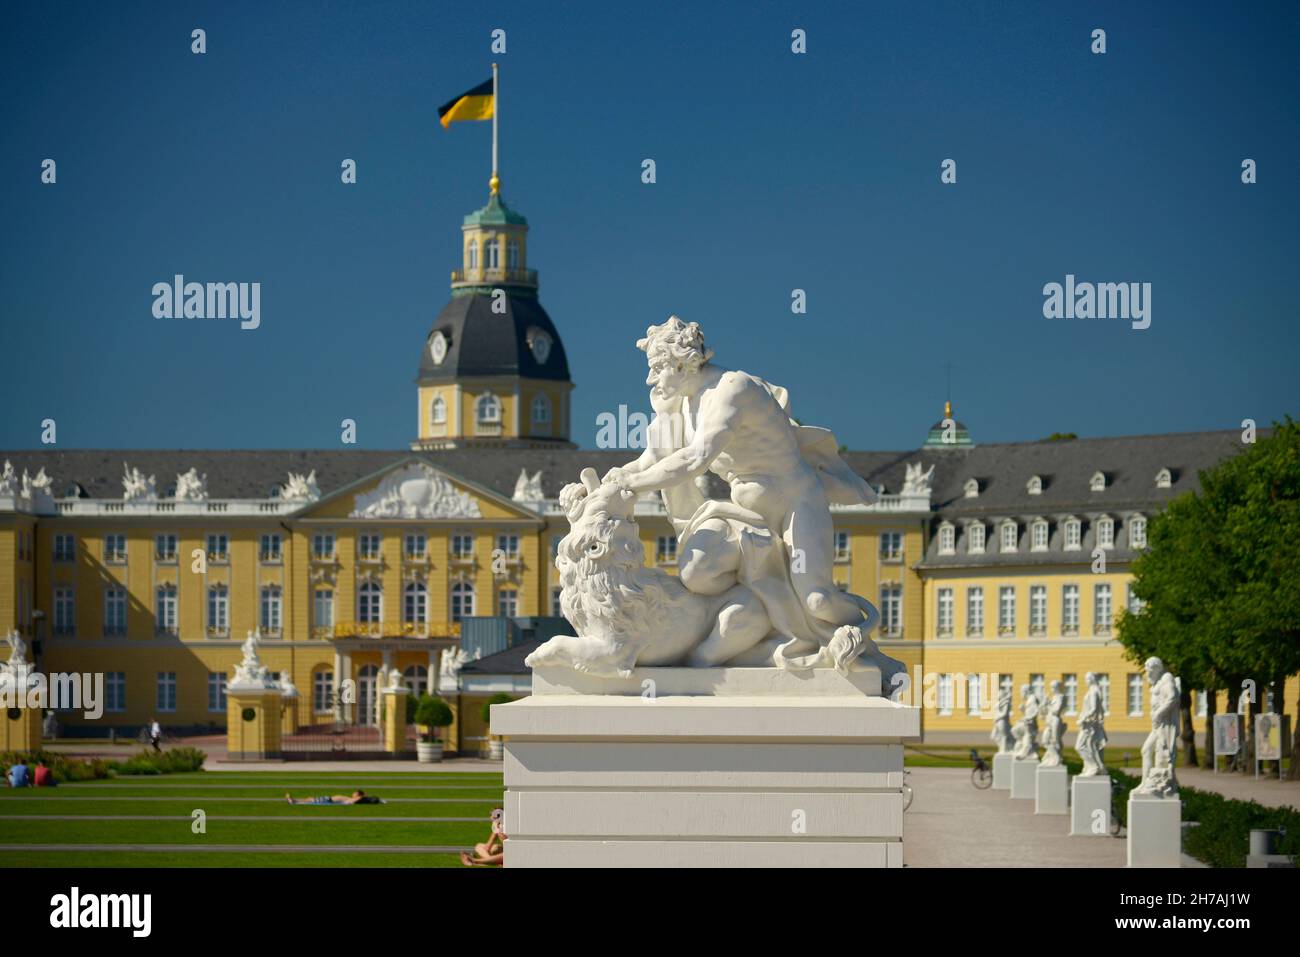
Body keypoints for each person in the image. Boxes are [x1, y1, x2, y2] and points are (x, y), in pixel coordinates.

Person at [284, 789, 383, 805]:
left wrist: (365, 796)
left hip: (329, 800)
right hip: (328, 799)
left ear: (358, 795)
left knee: (310, 799)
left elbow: (362, 799)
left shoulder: (353, 800)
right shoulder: (351, 798)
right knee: (310, 798)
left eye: (355, 792)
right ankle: (294, 800)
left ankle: (293, 801)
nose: (353, 793)